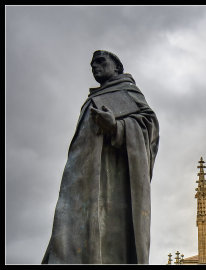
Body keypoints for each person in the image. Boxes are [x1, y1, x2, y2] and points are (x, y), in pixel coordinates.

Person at [42, 50, 159, 264]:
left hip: (112, 183)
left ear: (116, 66)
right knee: (69, 233)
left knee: (108, 237)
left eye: (100, 62)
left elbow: (149, 128)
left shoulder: (127, 92)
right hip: (82, 179)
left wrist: (116, 127)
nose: (94, 67)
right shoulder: (93, 98)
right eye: (92, 64)